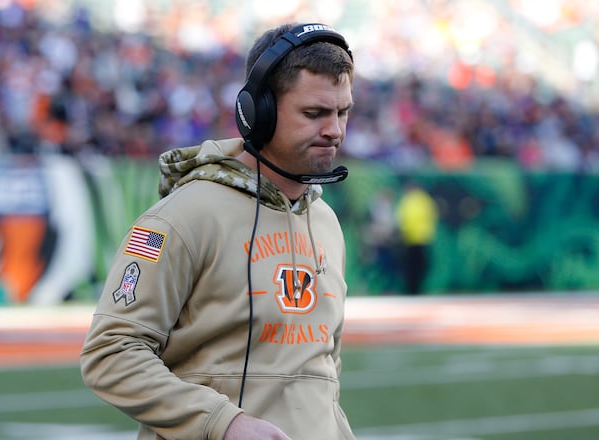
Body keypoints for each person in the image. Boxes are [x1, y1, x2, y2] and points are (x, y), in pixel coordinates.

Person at [80, 22, 356, 440]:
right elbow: (110, 354)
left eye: (343, 112)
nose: (334, 129)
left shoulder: (326, 223)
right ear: (258, 112)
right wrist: (224, 424)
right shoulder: (183, 216)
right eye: (314, 113)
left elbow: (323, 377)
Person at [395, 180, 438, 294]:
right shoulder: (426, 200)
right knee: (421, 267)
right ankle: (418, 289)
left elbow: (402, 218)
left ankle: (412, 289)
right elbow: (432, 217)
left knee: (410, 267)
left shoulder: (407, 200)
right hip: (424, 239)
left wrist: (402, 233)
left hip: (409, 239)